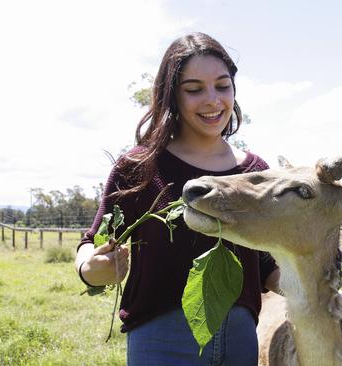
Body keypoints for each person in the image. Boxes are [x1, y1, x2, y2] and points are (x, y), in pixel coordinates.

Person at [75, 32, 280, 365]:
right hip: (161, 344)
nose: (213, 100)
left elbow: (267, 264)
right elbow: (91, 242)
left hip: (241, 343)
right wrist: (91, 268)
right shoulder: (139, 168)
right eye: (195, 89)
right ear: (172, 95)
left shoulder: (257, 172)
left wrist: (317, 285)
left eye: (222, 85)